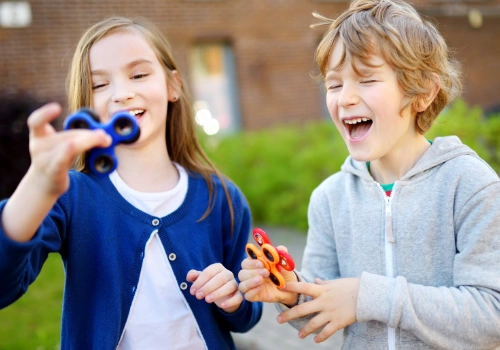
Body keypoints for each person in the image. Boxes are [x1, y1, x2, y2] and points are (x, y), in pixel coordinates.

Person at [238, 0, 500, 349]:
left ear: (423, 92)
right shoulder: (330, 199)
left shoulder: (470, 185)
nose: (345, 99)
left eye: (366, 79)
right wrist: (290, 291)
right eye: (334, 85)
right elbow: (323, 309)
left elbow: (491, 315)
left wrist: (368, 296)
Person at [0, 16, 262, 349]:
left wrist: (235, 297)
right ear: (86, 104)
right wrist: (36, 186)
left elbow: (249, 311)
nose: (122, 94)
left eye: (138, 75)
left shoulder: (221, 197)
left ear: (173, 86)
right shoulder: (72, 196)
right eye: (99, 84)